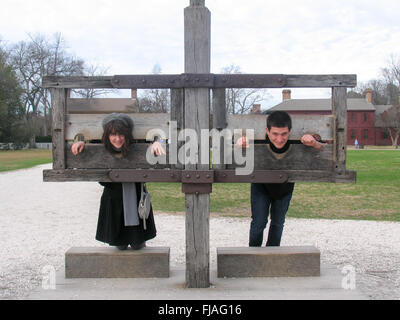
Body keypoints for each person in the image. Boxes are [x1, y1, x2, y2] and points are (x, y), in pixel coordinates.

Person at [71, 113, 166, 250]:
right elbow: (87, 143)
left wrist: (157, 142)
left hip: (136, 196)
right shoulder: (99, 146)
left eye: (121, 135)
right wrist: (81, 142)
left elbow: (159, 139)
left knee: (138, 244)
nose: (117, 139)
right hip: (113, 198)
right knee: (119, 245)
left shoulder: (136, 144)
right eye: (113, 135)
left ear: (127, 135)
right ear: (107, 135)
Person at [236, 111, 324, 247]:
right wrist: (238, 143)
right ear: (267, 131)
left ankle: (272, 256)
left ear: (290, 131)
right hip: (261, 185)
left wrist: (313, 142)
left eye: (284, 134)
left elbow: (321, 147)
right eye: (275, 134)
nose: (279, 139)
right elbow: (235, 146)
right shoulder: (258, 138)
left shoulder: (296, 140)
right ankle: (253, 255)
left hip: (285, 187)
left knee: (277, 223)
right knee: (259, 223)